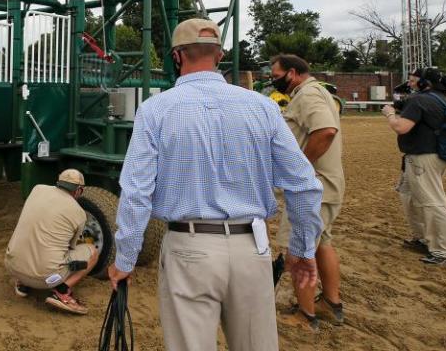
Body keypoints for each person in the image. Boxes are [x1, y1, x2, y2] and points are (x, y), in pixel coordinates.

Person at [108, 18, 324, 351]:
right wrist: (303, 249)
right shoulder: (263, 106)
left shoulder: (154, 110)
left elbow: (136, 193)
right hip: (252, 248)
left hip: (188, 248)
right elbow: (304, 185)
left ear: (177, 56)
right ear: (219, 55)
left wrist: (124, 260)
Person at [270, 54, 345, 329]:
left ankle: (306, 315)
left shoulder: (308, 95)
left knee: (300, 250)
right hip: (325, 186)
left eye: (275, 74)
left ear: (292, 72)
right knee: (322, 243)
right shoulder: (316, 92)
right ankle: (330, 303)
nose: (273, 79)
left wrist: (301, 165)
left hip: (312, 189)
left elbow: (325, 130)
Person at [382, 67, 446, 266]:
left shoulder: (419, 100)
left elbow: (401, 127)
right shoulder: (441, 99)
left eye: (413, 80)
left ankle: (445, 252)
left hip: (423, 158)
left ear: (425, 83)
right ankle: (424, 239)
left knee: (433, 202)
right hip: (429, 156)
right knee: (409, 195)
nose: (409, 83)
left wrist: (390, 114)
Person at [4, 169, 98, 314]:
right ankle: (62, 292)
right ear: (79, 190)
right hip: (45, 280)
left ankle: (22, 283)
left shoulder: (37, 189)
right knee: (93, 252)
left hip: (12, 266)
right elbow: (70, 247)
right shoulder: (79, 213)